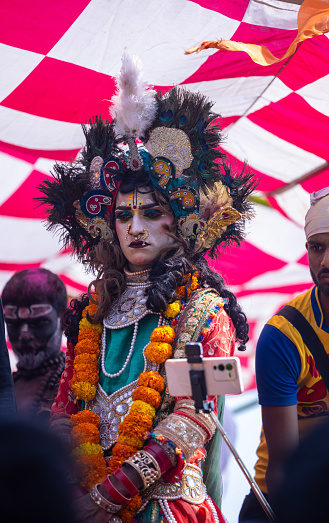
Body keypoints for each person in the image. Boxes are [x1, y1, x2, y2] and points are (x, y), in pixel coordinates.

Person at [38, 55, 255, 523]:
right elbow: (64, 410)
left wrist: (112, 494)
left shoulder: (201, 310)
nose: (135, 227)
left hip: (166, 504)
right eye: (123, 215)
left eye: (152, 213)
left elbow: (193, 419)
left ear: (179, 223)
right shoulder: (93, 311)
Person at [239, 186, 329, 522]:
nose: (325, 262)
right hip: (280, 503)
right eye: (317, 248)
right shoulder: (283, 335)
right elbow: (282, 469)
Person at [2, 268, 67, 419]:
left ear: (64, 319)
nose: (24, 335)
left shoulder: (77, 383)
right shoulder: (7, 385)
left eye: (38, 322)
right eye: (13, 324)